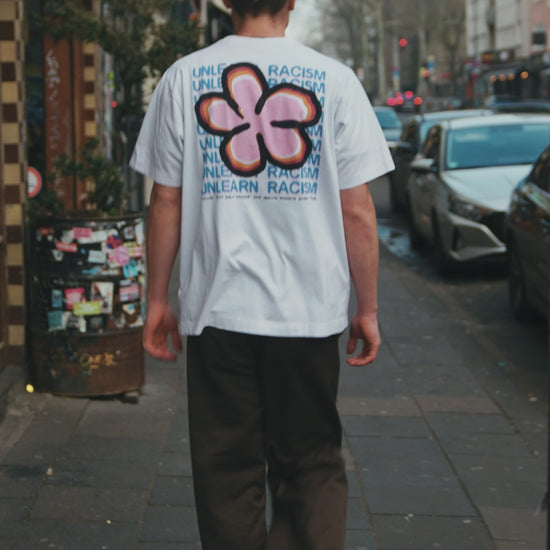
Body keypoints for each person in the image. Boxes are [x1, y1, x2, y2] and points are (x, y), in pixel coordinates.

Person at [130, 0, 394, 548]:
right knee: (312, 465)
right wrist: (365, 309)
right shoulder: (334, 81)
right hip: (307, 313)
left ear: (226, 2)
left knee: (226, 470)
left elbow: (165, 202)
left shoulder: (183, 78)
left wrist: (156, 300)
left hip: (218, 310)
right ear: (292, 2)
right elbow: (357, 211)